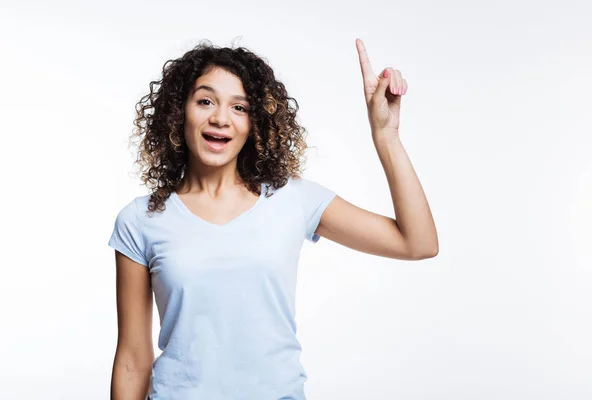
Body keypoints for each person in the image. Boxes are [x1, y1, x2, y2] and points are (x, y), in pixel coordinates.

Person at [108, 38, 438, 400]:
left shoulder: (293, 199)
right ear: (178, 111)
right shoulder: (141, 220)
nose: (220, 118)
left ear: (255, 123)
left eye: (240, 107)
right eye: (205, 101)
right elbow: (132, 360)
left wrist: (386, 136)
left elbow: (417, 243)